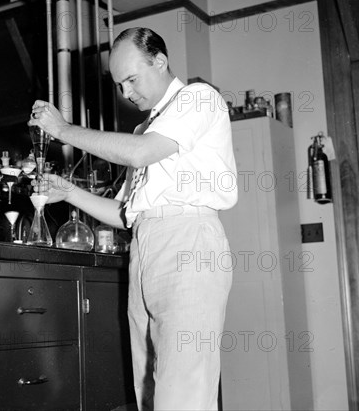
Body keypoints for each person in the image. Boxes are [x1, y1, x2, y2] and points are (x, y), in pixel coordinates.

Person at [29, 27, 237, 410]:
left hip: (188, 243)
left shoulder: (197, 98)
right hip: (146, 247)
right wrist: (69, 192)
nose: (126, 93)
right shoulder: (146, 128)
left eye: (131, 79)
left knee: (182, 392)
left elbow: (140, 153)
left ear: (159, 61)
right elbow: (127, 214)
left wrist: (62, 130)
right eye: (119, 84)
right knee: (149, 391)